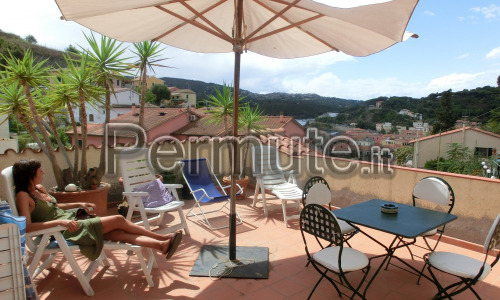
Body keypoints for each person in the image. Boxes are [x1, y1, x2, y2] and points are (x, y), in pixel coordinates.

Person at [13, 159, 182, 261]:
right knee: (119, 220)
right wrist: (60, 222)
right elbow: (27, 227)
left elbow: (55, 207)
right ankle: (163, 237)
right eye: (39, 170)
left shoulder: (40, 188)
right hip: (67, 229)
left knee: (117, 233)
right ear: (29, 174)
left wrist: (79, 203)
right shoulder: (23, 196)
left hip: (74, 219)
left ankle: (161, 245)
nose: (43, 172)